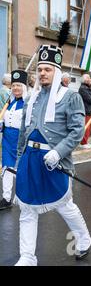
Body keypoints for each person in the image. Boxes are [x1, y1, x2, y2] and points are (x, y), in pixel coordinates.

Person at [14, 27, 91, 265]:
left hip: (54, 162)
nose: (42, 73)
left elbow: (77, 131)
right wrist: (18, 161)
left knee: (64, 205)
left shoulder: (71, 97)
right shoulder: (31, 97)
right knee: (26, 208)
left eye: (47, 69)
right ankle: (27, 257)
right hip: (29, 160)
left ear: (57, 72)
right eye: (39, 70)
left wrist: (58, 152)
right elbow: (23, 133)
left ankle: (84, 239)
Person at [0, 70, 28, 210]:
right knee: (6, 168)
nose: (16, 88)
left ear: (24, 87)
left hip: (20, 141)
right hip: (7, 140)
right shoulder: (9, 103)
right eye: (14, 85)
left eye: (19, 85)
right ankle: (6, 198)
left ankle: (27, 196)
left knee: (21, 170)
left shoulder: (28, 104)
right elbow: (4, 121)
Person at [78, 74, 91, 149]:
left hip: (89, 110)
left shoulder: (86, 88)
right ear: (85, 80)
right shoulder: (83, 88)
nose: (90, 80)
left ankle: (85, 142)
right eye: (89, 78)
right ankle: (83, 143)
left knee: (88, 127)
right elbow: (89, 99)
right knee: (86, 127)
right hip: (86, 111)